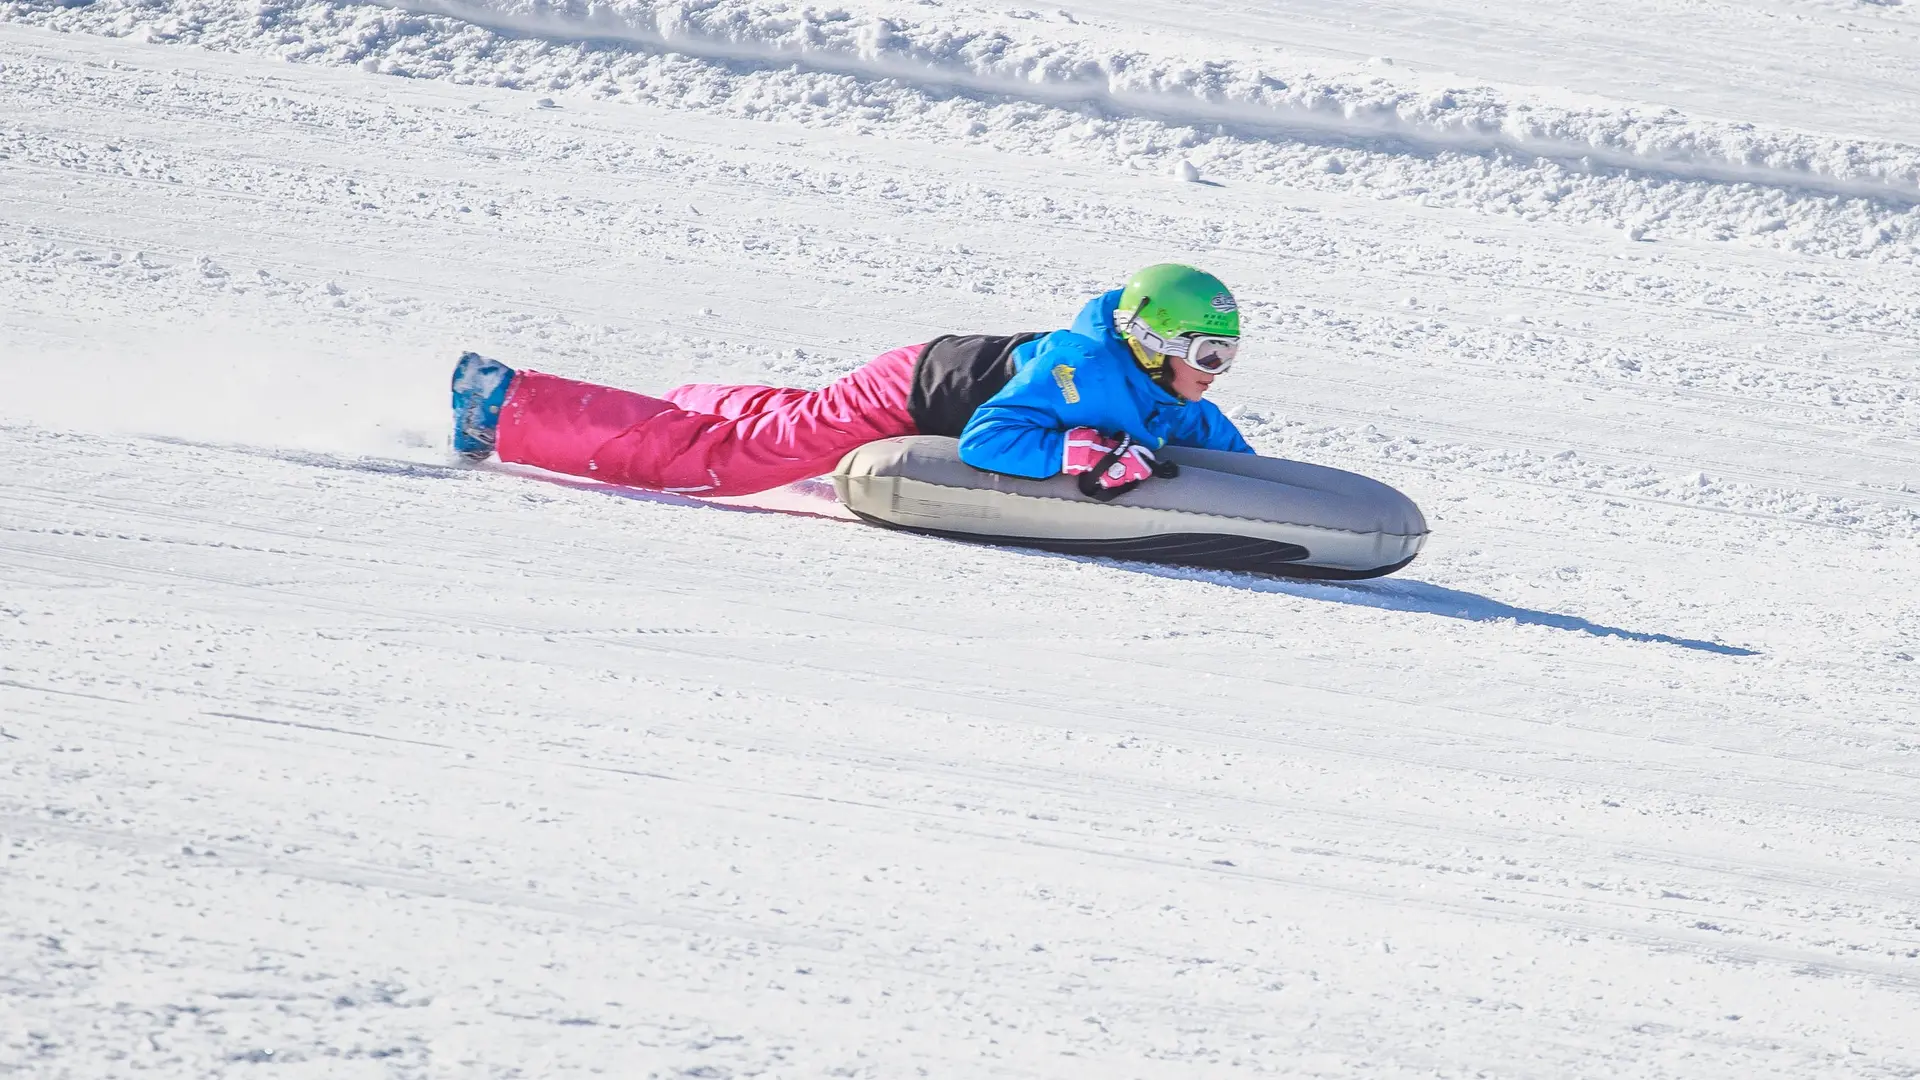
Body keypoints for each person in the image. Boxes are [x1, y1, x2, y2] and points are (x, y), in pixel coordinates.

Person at [450, 263, 1255, 499]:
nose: (1215, 374)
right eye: (1207, 355)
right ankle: (505, 405)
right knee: (725, 464)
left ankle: (698, 397)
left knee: (790, 422)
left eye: (1226, 356)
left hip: (935, 370)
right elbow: (990, 439)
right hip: (903, 396)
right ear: (1152, 342)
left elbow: (1217, 444)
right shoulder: (1083, 373)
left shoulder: (1159, 388)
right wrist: (1069, 452)